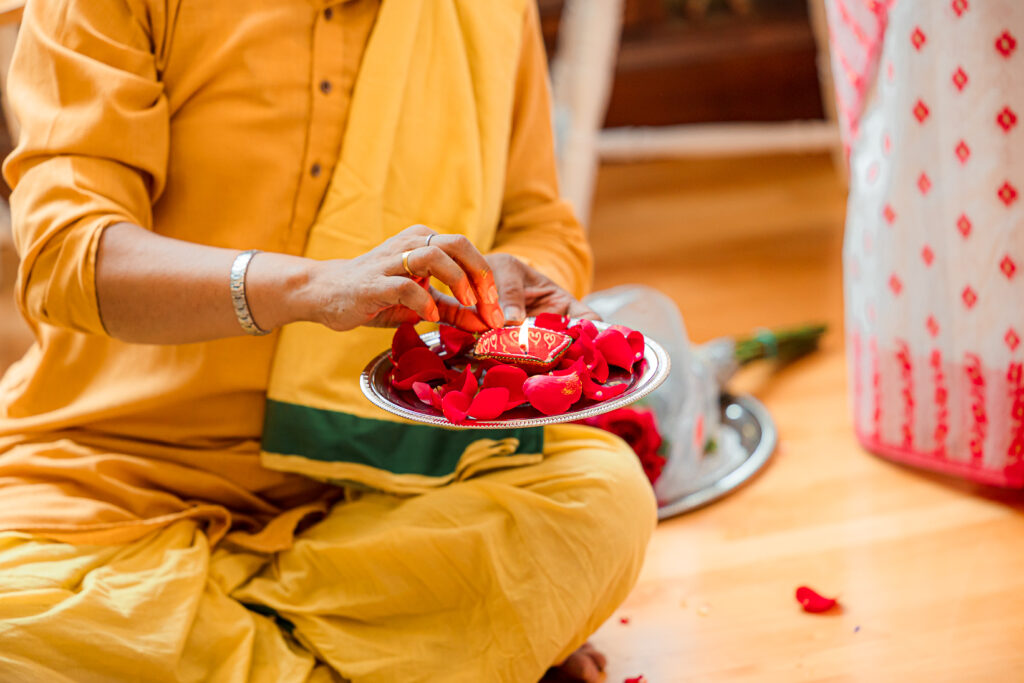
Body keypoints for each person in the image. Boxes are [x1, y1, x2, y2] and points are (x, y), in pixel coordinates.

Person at [0, 1, 656, 681]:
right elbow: (67, 254)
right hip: (113, 468)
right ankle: (394, 654)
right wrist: (308, 287)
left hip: (385, 476)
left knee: (602, 501)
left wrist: (505, 279)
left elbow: (540, 221)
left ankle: (211, 646)